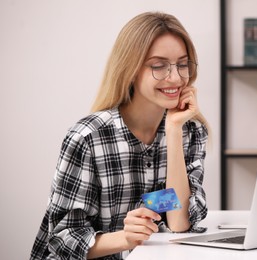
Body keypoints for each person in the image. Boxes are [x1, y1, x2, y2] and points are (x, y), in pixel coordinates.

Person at [30, 11, 210, 259]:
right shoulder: (88, 137)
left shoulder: (189, 131)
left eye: (182, 64)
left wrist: (174, 130)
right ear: (131, 69)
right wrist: (124, 238)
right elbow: (62, 239)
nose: (176, 77)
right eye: (159, 66)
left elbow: (180, 223)